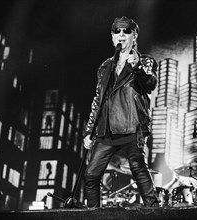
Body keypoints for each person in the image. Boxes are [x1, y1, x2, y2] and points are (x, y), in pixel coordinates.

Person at [83, 16, 159, 208]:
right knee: (91, 175)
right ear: (112, 37)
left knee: (138, 168)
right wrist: (89, 131)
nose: (122, 35)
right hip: (106, 129)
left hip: (131, 124)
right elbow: (97, 101)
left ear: (134, 36)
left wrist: (137, 68)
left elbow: (150, 84)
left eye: (126, 31)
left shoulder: (145, 61)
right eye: (117, 31)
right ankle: (93, 213)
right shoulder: (105, 67)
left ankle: (154, 210)